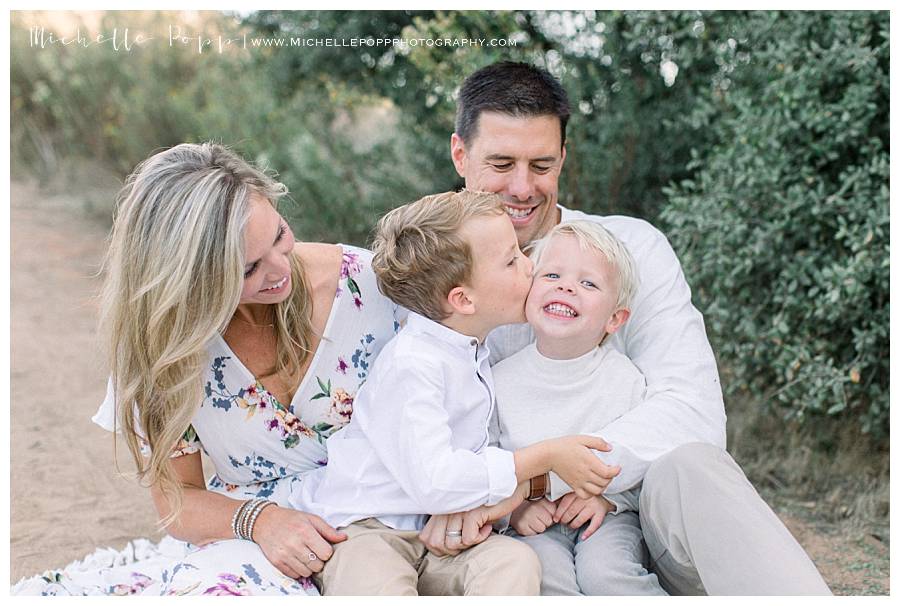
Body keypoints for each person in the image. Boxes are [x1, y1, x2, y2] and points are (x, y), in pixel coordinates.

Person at [421, 61, 831, 595]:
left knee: (693, 467)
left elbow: (694, 411)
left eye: (541, 165)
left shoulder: (630, 248)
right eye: (501, 163)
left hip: (634, 518)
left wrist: (545, 477)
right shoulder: (427, 275)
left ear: (564, 157)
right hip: (516, 539)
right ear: (460, 154)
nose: (522, 188)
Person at [85, 142, 407, 596]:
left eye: (279, 235)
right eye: (248, 268)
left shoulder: (375, 288)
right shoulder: (165, 349)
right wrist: (262, 521)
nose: (279, 270)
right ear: (192, 279)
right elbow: (178, 502)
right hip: (255, 536)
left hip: (393, 520)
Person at [292, 191, 616, 595]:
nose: (530, 266)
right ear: (463, 299)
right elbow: (436, 480)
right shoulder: (413, 364)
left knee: (513, 562)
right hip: (368, 529)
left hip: (438, 531)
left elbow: (469, 462)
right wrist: (543, 457)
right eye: (512, 260)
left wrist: (507, 508)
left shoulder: (472, 351)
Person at [492, 220, 665, 596]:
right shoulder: (498, 381)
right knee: (545, 575)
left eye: (588, 284)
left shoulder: (626, 380)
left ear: (615, 319)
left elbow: (643, 466)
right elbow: (484, 463)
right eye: (552, 274)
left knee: (607, 574)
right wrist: (514, 511)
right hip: (530, 519)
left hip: (604, 519)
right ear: (529, 290)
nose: (566, 286)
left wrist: (608, 501)